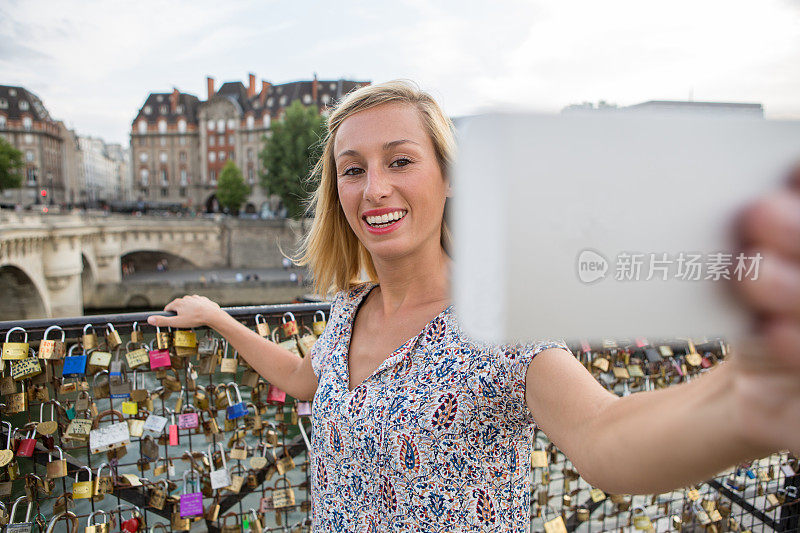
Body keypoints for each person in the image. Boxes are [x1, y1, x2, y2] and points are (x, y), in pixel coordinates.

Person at [148, 80, 800, 531]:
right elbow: (305, 378)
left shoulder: (497, 315)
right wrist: (219, 316)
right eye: (353, 168)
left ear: (447, 175)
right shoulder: (351, 306)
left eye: (400, 160)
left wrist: (745, 397)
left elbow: (606, 437)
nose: (375, 188)